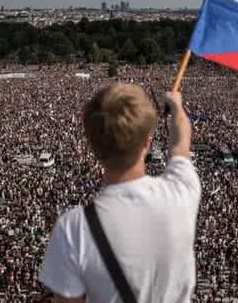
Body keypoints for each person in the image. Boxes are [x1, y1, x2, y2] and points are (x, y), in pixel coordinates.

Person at [38, 83, 200, 302]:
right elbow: (181, 144)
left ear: (93, 147)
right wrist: (177, 106)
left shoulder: (73, 229)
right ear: (147, 142)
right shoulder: (182, 193)